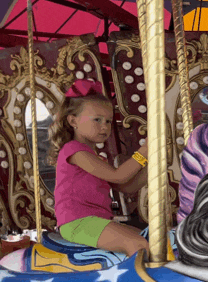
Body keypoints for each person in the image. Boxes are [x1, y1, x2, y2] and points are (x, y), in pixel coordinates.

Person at [48, 79, 149, 258]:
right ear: (73, 121)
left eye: (109, 121)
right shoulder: (74, 150)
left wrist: (154, 167)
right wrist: (144, 152)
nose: (105, 127)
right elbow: (118, 176)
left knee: (148, 237)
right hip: (78, 222)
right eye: (97, 120)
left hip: (96, 221)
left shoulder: (95, 157)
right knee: (138, 244)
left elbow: (125, 187)